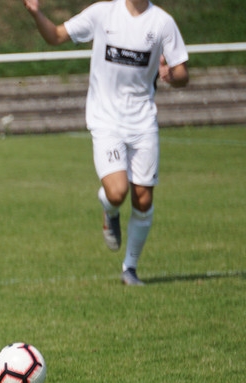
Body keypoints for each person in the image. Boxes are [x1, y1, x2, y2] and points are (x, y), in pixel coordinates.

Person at [22, 0, 189, 286]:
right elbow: (56, 36)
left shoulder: (163, 22)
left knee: (143, 199)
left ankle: (130, 269)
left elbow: (183, 72)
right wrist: (36, 14)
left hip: (143, 122)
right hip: (106, 120)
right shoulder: (102, 14)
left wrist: (172, 76)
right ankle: (109, 211)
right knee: (117, 192)